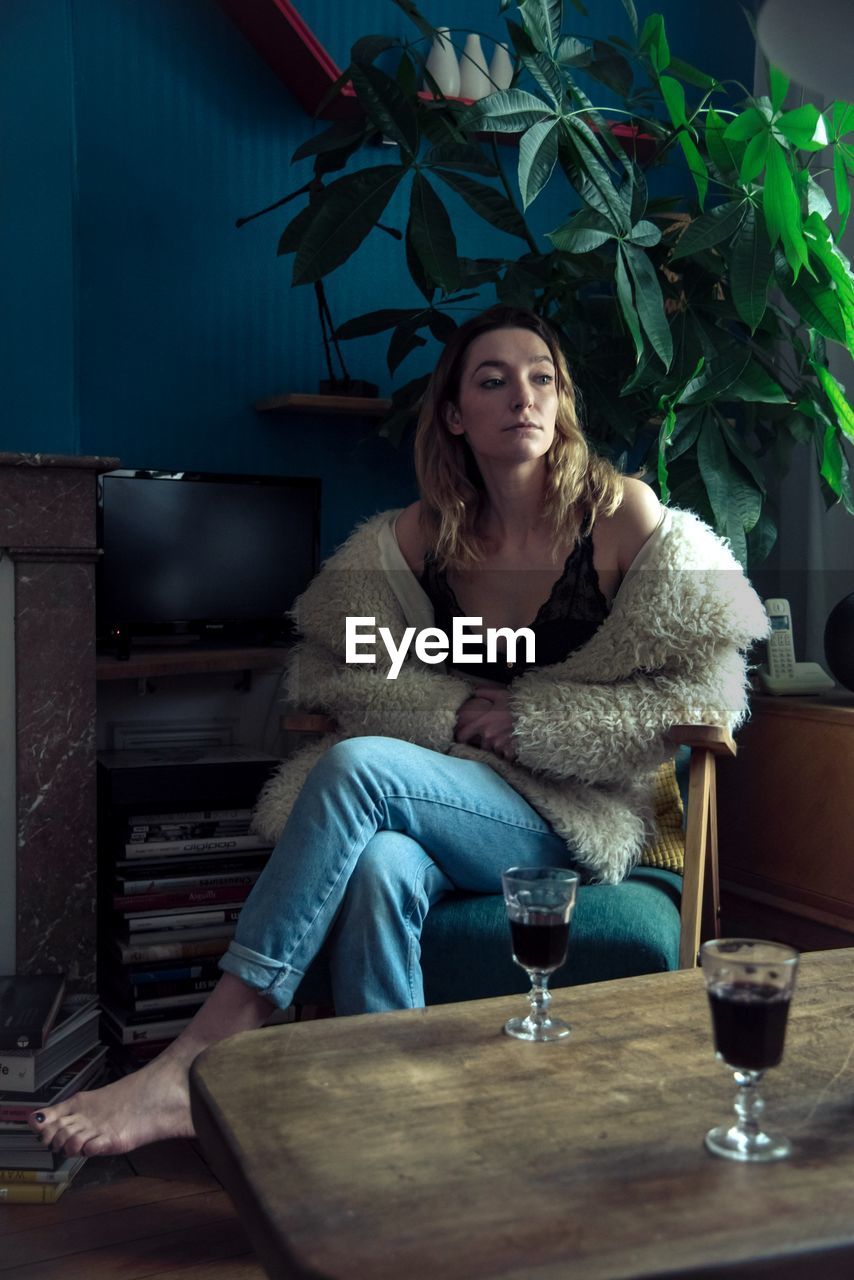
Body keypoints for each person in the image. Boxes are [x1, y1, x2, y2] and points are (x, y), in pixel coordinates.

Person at [29, 305, 767, 1157]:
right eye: (492, 380)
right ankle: (394, 1118)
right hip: (457, 795)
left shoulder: (620, 517)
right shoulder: (420, 537)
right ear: (454, 413)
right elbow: (330, 662)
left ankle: (203, 1052)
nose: (522, 396)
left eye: (542, 378)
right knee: (379, 863)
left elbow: (709, 685)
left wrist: (541, 720)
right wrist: (448, 712)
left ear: (562, 402)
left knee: (357, 770)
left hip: (577, 813)